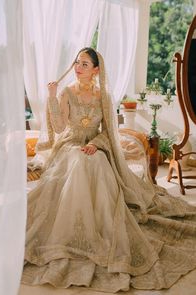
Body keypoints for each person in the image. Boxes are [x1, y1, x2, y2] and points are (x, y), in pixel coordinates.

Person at [22, 48, 196, 293]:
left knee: (97, 163)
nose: (78, 67)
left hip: (94, 147)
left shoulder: (103, 95)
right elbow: (60, 128)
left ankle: (101, 226)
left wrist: (95, 144)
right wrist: (51, 96)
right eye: (76, 62)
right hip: (70, 145)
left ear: (96, 70)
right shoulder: (66, 92)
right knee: (80, 162)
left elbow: (108, 132)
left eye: (84, 64)